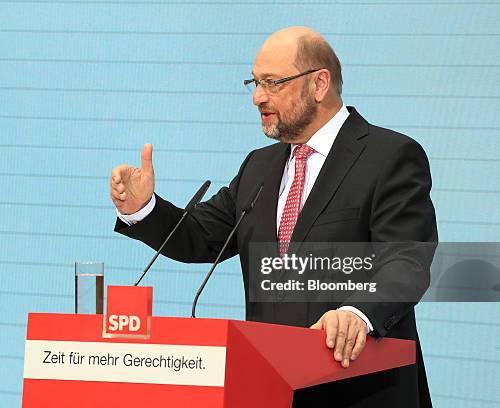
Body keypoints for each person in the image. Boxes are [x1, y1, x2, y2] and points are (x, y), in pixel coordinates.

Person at [110, 27, 437, 408]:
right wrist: (143, 207)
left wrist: (357, 313)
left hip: (361, 390)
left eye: (272, 83)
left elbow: (406, 260)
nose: (257, 97)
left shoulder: (389, 156)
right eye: (254, 82)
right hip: (273, 390)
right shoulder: (259, 167)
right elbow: (200, 236)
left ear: (319, 83)